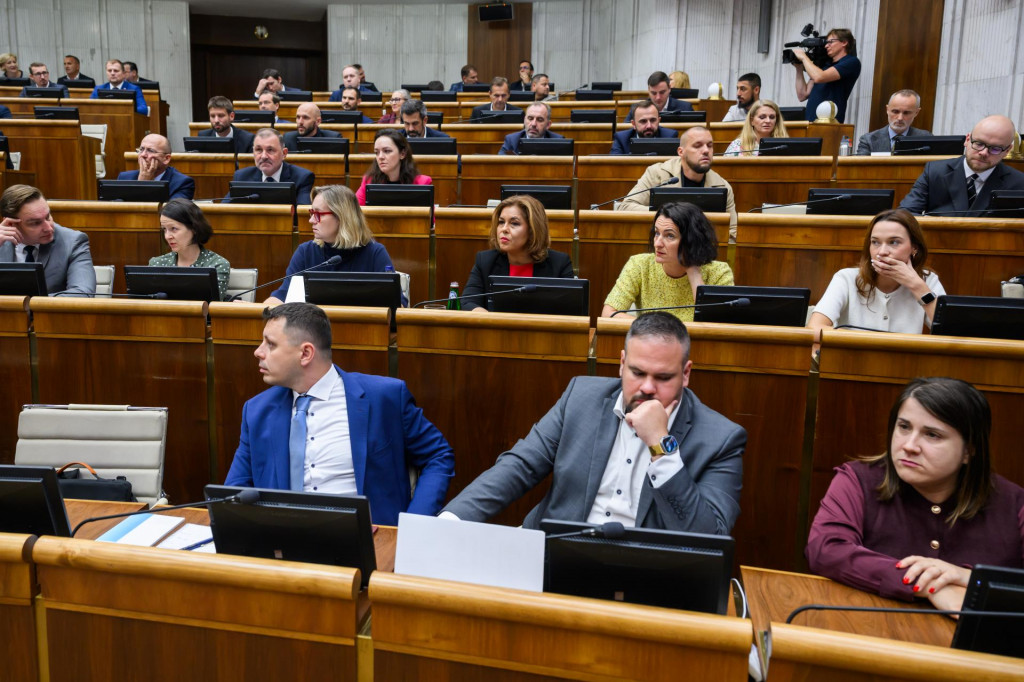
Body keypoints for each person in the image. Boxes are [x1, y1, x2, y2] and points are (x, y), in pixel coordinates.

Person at [441, 311, 745, 533]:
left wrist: (661, 448)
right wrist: (450, 521)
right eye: (638, 373)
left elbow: (709, 538)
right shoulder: (580, 397)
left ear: (686, 373)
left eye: (663, 377)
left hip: (649, 579)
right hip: (558, 554)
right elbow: (520, 466)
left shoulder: (721, 439)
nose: (648, 388)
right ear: (622, 364)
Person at [225, 302, 455, 525]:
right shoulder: (257, 411)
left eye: (270, 344)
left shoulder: (384, 397)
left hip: (367, 540)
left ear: (305, 353)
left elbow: (438, 456)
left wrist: (413, 525)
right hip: (285, 543)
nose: (258, 352)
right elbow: (234, 493)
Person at [806, 377, 1024, 610]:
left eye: (932, 435)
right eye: (904, 427)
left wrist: (967, 578)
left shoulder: (1014, 504)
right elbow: (826, 550)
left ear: (968, 451)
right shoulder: (858, 480)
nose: (909, 445)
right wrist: (926, 584)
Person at [808, 209, 945, 350]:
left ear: (914, 248)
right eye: (875, 242)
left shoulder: (927, 281)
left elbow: (952, 335)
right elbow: (814, 329)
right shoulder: (846, 278)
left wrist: (917, 287)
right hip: (851, 365)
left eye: (894, 242)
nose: (882, 252)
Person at [264, 184, 398, 304]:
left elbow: (397, 305)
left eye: (317, 214)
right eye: (311, 213)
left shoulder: (375, 253)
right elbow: (282, 296)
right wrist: (255, 309)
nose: (311, 220)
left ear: (341, 217)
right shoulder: (306, 252)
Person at [602, 202, 733, 322]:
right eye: (657, 233)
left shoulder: (719, 273)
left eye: (670, 235)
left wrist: (693, 271)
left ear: (691, 241)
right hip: (651, 344)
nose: (657, 243)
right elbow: (609, 314)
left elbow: (717, 326)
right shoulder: (640, 265)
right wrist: (660, 328)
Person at [615, 127, 738, 241]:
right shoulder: (657, 174)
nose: (706, 151)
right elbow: (625, 207)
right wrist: (668, 214)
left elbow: (732, 232)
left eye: (710, 146)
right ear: (681, 151)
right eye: (697, 146)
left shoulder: (723, 186)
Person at [461, 195, 575, 312]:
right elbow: (467, 302)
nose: (504, 229)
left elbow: (571, 310)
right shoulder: (485, 261)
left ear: (532, 230)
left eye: (514, 223)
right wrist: (491, 320)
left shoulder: (559, 264)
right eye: (501, 222)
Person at [899, 115, 1024, 217]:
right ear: (967, 140)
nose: (984, 153)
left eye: (995, 148)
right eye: (979, 143)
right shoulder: (935, 171)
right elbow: (905, 214)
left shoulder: (1019, 183)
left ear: (1007, 150)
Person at [0, 184, 96, 296]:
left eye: (48, 217)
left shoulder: (73, 242)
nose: (49, 228)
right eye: (35, 223)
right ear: (11, 224)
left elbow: (83, 293)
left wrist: (28, 303)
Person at [149, 199, 230, 301]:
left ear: (194, 228)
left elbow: (211, 305)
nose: (167, 236)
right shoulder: (157, 263)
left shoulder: (217, 264)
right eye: (164, 229)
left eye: (173, 229)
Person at [226, 128, 315, 205]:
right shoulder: (242, 177)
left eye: (270, 150)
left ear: (284, 153)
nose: (264, 156)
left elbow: (301, 214)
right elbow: (224, 207)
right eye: (259, 150)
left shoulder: (302, 178)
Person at [792, 28, 861, 124]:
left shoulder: (851, 62)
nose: (826, 46)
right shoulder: (825, 65)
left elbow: (820, 77)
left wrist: (804, 57)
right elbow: (802, 95)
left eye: (830, 42)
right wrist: (798, 67)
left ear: (844, 42)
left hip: (829, 123)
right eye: (826, 43)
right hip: (810, 121)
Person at [355, 129, 432, 206]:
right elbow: (355, 212)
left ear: (402, 154)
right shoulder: (368, 181)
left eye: (387, 151)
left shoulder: (422, 183)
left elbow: (428, 217)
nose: (380, 157)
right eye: (376, 152)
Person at [117, 134, 195, 200]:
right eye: (141, 149)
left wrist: (144, 185)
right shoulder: (124, 177)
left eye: (150, 150)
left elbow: (171, 214)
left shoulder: (182, 183)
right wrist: (141, 183)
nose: (143, 155)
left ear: (166, 159)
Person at [857, 90, 931, 155]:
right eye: (895, 112)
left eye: (906, 113)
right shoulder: (869, 140)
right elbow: (860, 168)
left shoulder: (926, 139)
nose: (900, 118)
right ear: (887, 109)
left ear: (916, 112)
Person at [610, 99, 679, 155]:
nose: (649, 126)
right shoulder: (622, 139)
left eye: (653, 120)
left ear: (658, 121)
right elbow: (614, 166)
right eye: (643, 121)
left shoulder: (670, 136)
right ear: (633, 124)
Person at [724, 99, 788, 156]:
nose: (768, 121)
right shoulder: (737, 145)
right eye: (762, 117)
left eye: (772, 117)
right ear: (752, 120)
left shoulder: (784, 146)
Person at [625, 71, 694, 122]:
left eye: (662, 92)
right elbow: (625, 131)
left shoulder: (685, 107)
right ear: (648, 91)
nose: (658, 97)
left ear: (669, 88)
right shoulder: (637, 109)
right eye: (654, 93)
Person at [498, 102, 564, 154]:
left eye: (540, 120)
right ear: (524, 120)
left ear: (548, 125)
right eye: (530, 118)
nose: (533, 124)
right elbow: (501, 165)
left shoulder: (559, 142)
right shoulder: (512, 140)